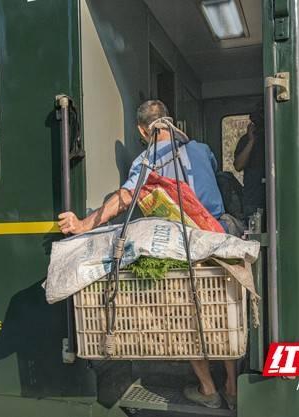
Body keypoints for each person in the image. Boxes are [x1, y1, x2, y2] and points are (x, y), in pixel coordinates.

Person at [59, 100, 237, 409]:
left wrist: (83, 225)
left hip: (182, 247)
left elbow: (125, 198)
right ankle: (232, 386)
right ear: (170, 121)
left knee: (186, 317)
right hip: (217, 238)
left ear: (143, 131)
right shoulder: (202, 149)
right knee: (220, 314)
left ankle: (209, 390)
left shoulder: (146, 160)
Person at [233, 111, 265, 218]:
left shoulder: (277, 138)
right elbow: (238, 165)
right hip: (253, 197)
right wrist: (251, 141)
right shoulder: (246, 140)